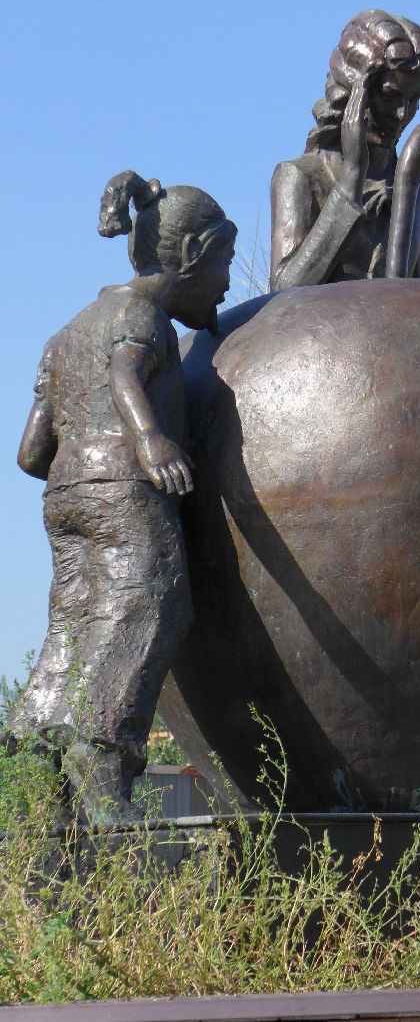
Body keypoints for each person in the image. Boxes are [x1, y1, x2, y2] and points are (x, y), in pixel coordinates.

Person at [8, 171, 236, 821]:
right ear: (190, 254)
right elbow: (124, 372)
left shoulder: (64, 334)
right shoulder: (141, 315)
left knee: (74, 621)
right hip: (126, 489)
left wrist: (81, 464)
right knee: (150, 605)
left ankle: (36, 759)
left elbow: (30, 453)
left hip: (66, 496)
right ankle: (102, 760)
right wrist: (149, 440)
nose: (226, 282)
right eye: (224, 260)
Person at [270, 10, 420, 289]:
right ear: (351, 92)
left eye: (413, 99)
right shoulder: (299, 177)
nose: (401, 114)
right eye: (389, 95)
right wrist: (351, 179)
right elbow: (283, 293)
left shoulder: (417, 186)